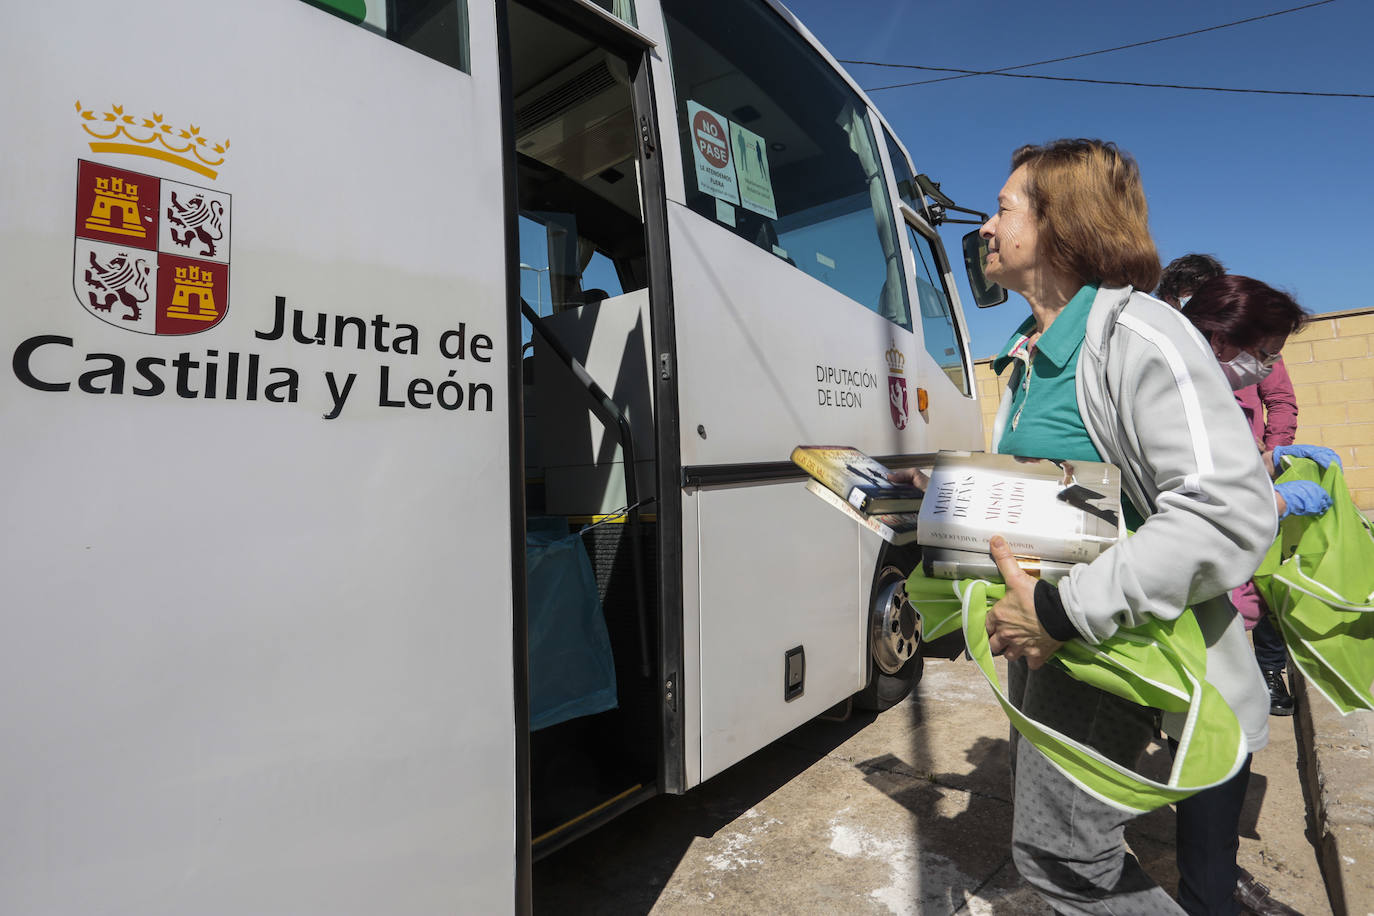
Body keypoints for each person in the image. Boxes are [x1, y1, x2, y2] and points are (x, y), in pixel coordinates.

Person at [972, 139, 1277, 916]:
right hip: (1048, 637)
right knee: (1058, 845)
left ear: (1062, 223)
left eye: (1004, 206)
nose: (985, 223)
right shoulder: (1025, 354)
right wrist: (935, 495)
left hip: (1103, 634)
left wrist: (1058, 613)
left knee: (1061, 854)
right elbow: (1055, 492)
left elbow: (1225, 512)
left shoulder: (1138, 335)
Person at [1160, 256, 1301, 716]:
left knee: (1261, 583)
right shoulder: (1169, 368)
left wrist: (1273, 453)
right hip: (1207, 488)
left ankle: (1267, 672)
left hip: (1250, 469)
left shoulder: (1252, 352)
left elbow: (1280, 399)